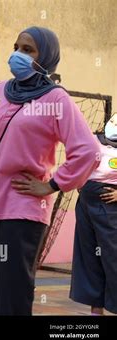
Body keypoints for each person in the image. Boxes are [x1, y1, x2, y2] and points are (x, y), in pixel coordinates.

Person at [0, 26, 100, 315]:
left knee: (12, 293)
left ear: (45, 57)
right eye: (16, 47)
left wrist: (52, 185)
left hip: (23, 210)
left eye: (27, 50)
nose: (17, 55)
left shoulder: (57, 100)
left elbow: (89, 151)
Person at [70, 113, 117, 315]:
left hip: (110, 207)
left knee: (113, 258)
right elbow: (78, 160)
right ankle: (95, 311)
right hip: (86, 205)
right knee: (89, 256)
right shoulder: (94, 139)